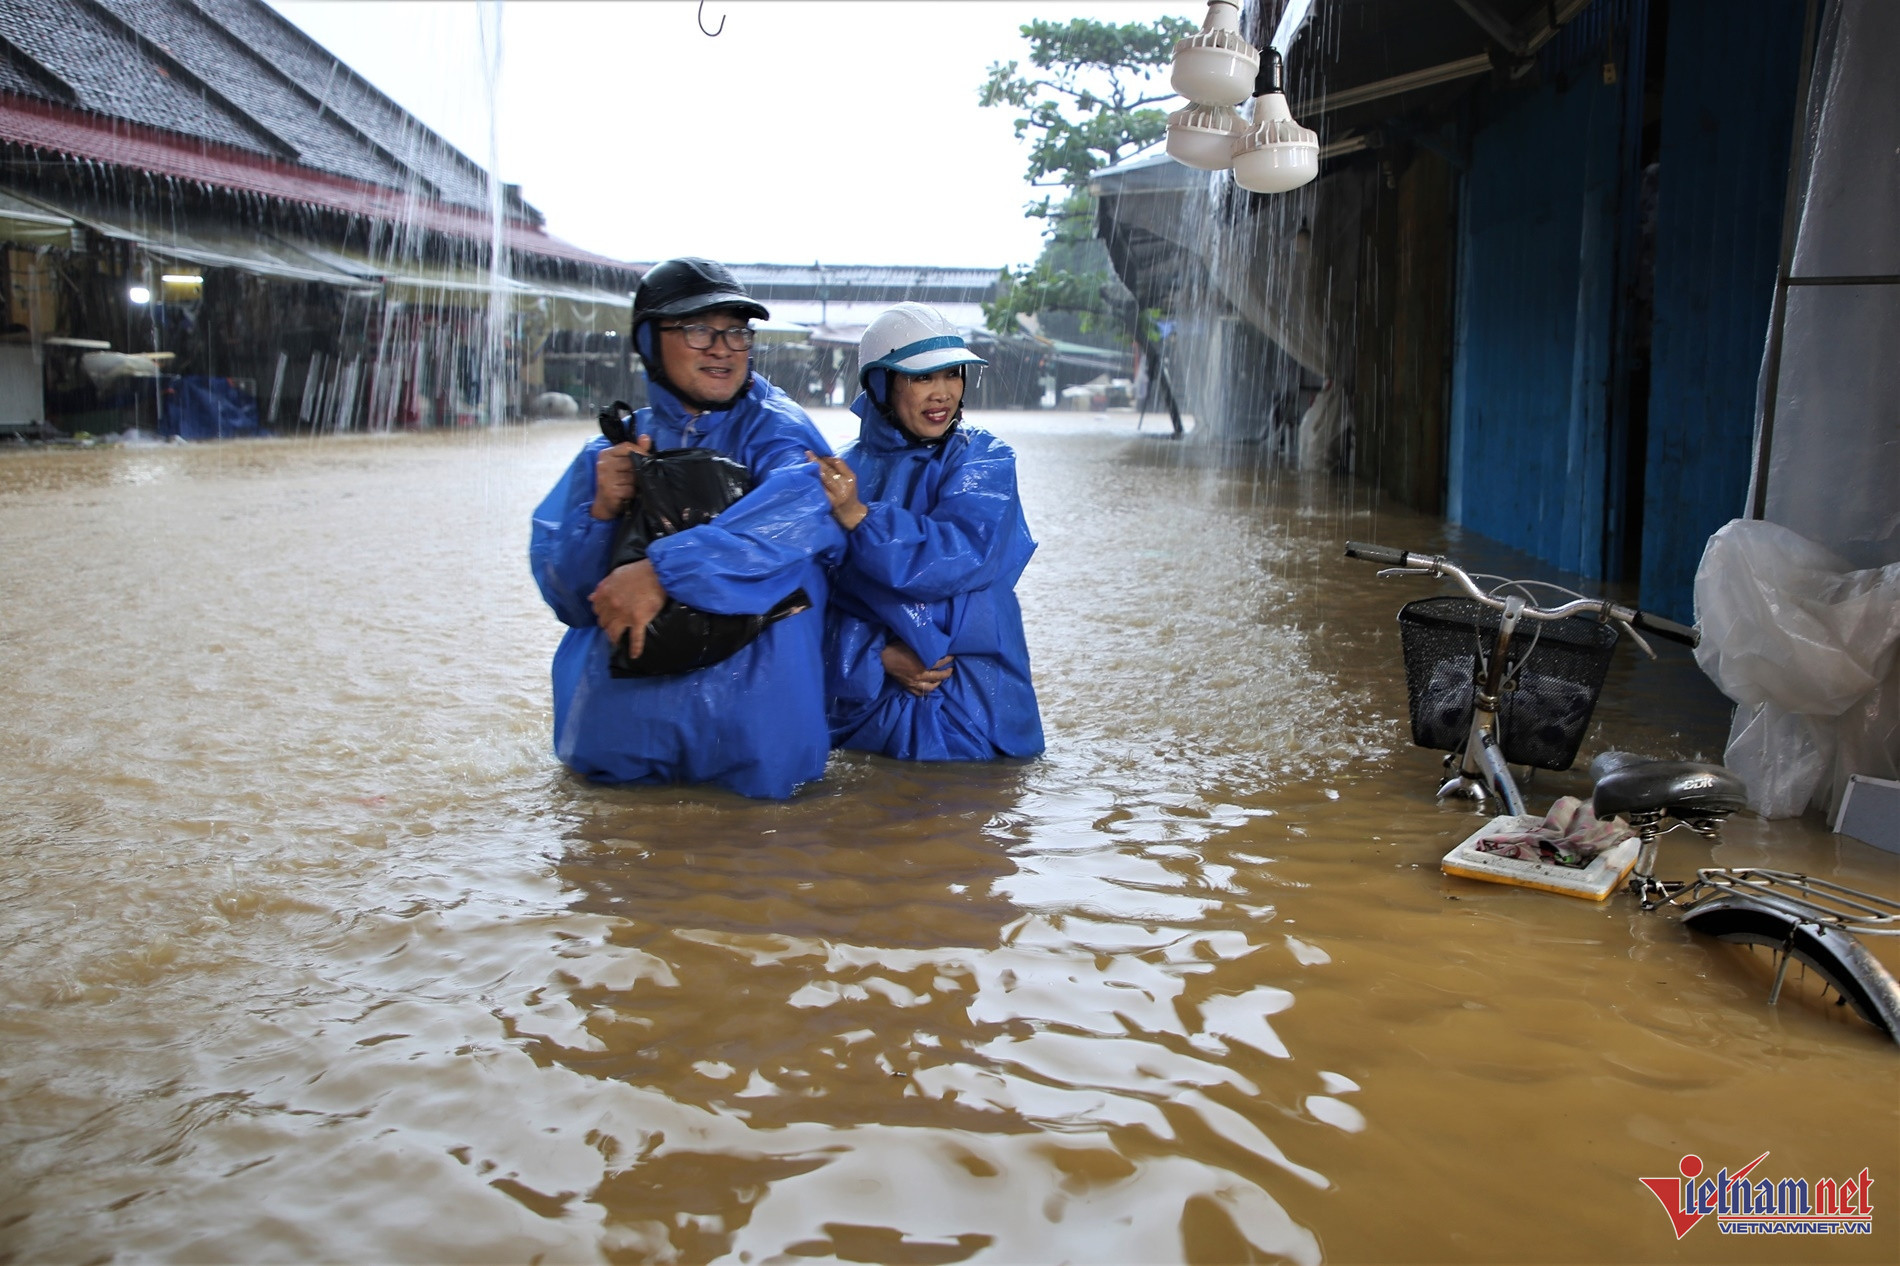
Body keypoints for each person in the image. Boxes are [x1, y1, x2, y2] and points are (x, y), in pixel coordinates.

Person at [529, 257, 844, 799]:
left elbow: (803, 515)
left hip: (755, 736)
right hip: (619, 740)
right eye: (698, 329)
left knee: (769, 869)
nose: (722, 347)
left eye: (736, 332)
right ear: (650, 341)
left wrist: (662, 572)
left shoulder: (781, 435)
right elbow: (570, 600)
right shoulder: (610, 449)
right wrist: (601, 511)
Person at [811, 303, 1043, 761]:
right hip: (865, 710)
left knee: (969, 818)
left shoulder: (985, 460)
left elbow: (961, 560)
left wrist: (862, 518)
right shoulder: (839, 471)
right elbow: (807, 596)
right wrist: (874, 657)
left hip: (971, 704)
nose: (942, 394)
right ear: (880, 385)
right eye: (922, 377)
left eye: (952, 374)